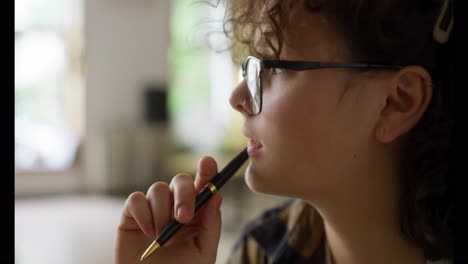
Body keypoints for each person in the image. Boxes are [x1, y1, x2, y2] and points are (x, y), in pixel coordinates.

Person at [115, 0, 454, 263]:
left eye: (272, 66)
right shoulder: (260, 250)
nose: (238, 98)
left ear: (397, 102)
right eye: (251, 68)